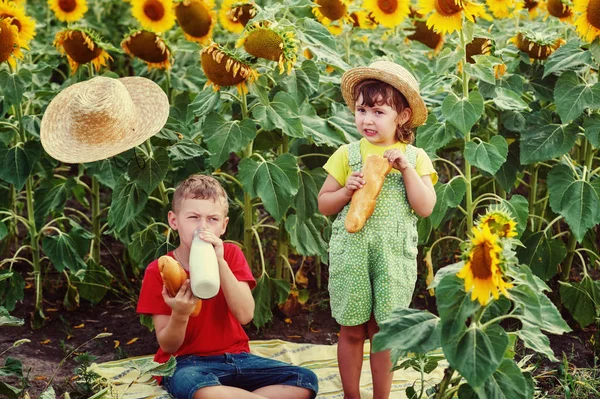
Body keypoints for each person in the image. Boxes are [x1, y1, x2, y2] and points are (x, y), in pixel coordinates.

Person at [317, 60, 438, 399]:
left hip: (393, 254)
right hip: (352, 253)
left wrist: (407, 171)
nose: (367, 120)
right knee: (352, 329)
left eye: (378, 112)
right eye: (361, 110)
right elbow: (323, 204)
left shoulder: (415, 158)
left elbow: (425, 206)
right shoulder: (346, 154)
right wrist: (345, 191)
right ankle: (351, 396)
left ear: (402, 117)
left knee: (384, 331)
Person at [137, 175, 318, 399]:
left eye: (212, 219)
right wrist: (181, 314)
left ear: (223, 225)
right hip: (187, 364)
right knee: (192, 385)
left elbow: (245, 315)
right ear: (174, 221)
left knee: (304, 380)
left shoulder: (231, 255)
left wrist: (220, 264)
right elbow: (169, 345)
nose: (202, 226)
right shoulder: (160, 270)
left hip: (237, 358)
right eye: (193, 217)